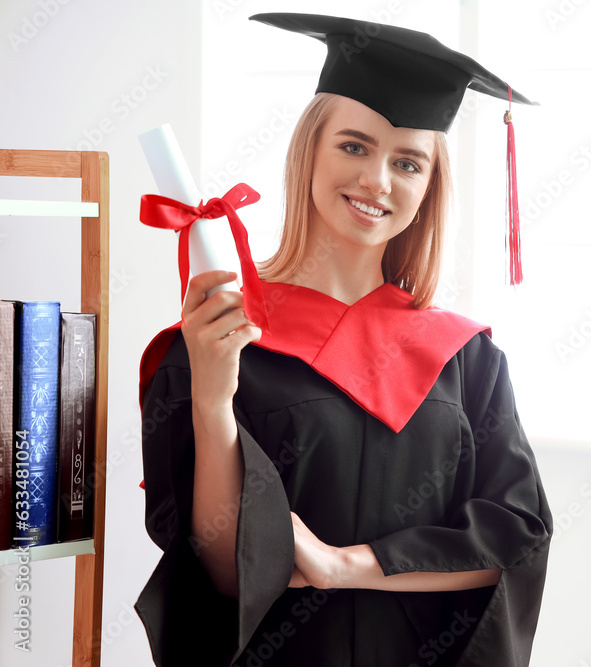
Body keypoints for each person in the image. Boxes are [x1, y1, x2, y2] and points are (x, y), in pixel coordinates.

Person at [134, 13, 552, 667]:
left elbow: (515, 537)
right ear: (310, 152)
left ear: (427, 187)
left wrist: (343, 564)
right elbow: (217, 570)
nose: (378, 180)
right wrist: (214, 400)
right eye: (354, 146)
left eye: (407, 161)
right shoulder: (223, 336)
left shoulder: (467, 359)